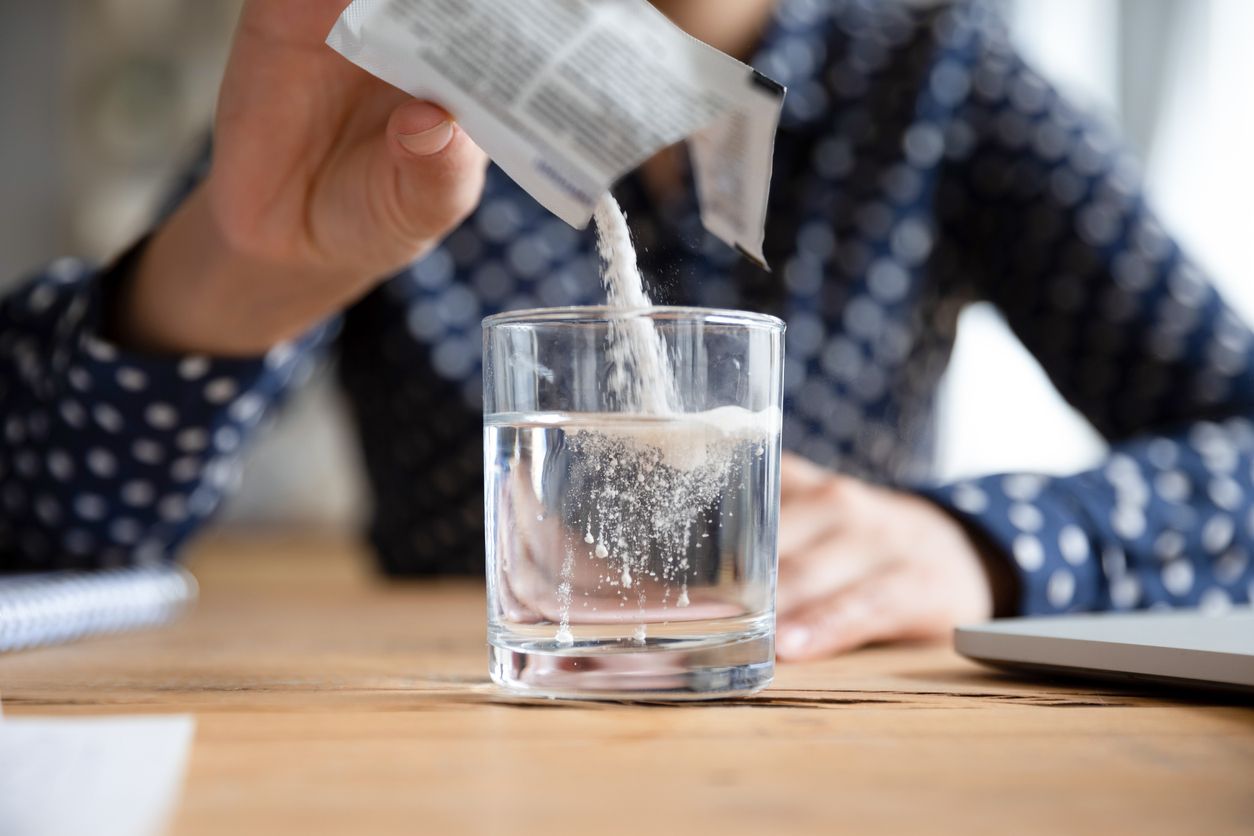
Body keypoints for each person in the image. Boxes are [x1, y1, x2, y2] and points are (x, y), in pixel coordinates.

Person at [1, 0, 1251, 662]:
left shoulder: (944, 81)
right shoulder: (386, 80)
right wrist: (237, 272)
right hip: (458, 748)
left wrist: (985, 545)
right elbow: (40, 537)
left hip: (842, 733)